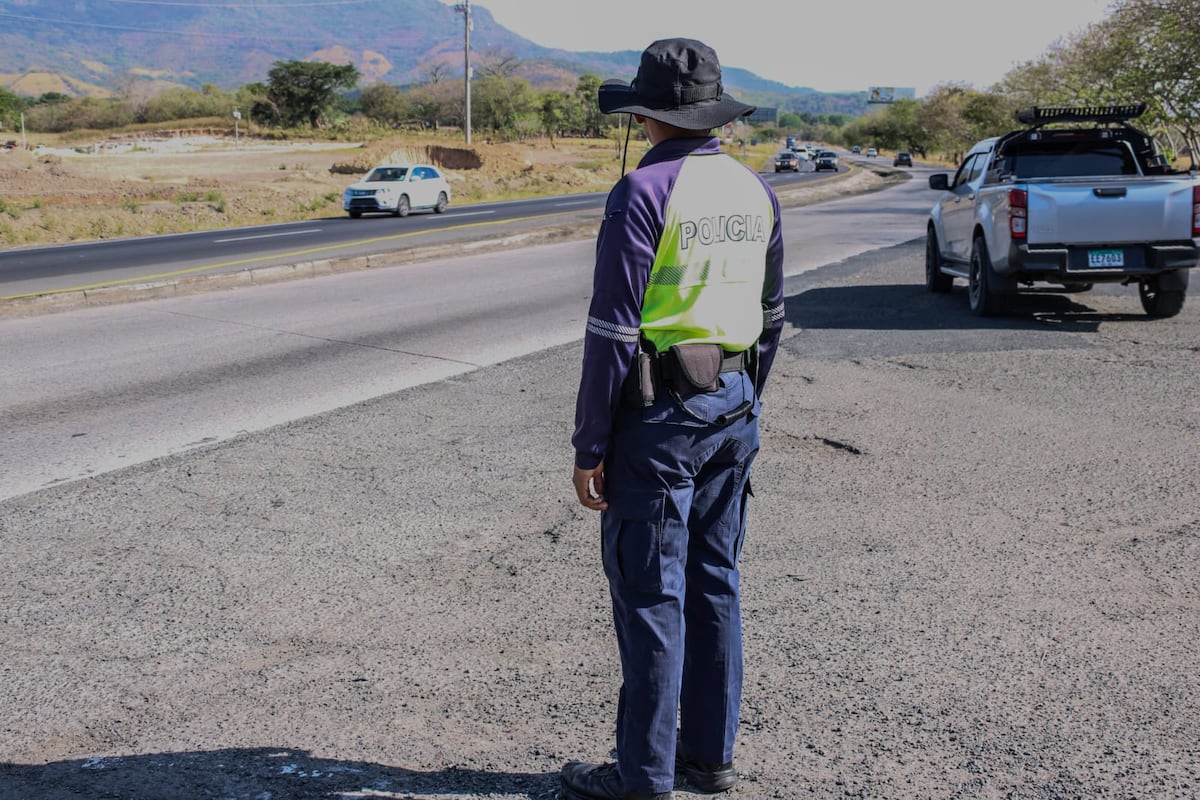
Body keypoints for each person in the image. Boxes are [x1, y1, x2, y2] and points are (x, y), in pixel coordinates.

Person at [565, 37, 786, 800]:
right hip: (734, 404)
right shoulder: (755, 192)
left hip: (660, 419)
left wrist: (590, 443)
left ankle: (645, 777)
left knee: (652, 594)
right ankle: (707, 758)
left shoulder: (643, 192)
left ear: (648, 115)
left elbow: (613, 330)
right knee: (715, 582)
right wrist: (744, 396)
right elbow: (773, 313)